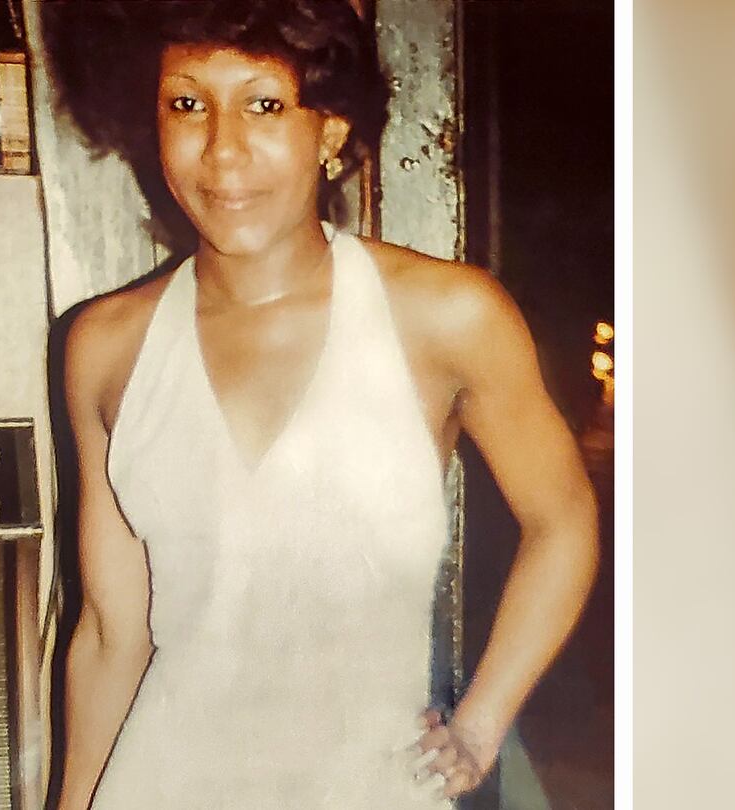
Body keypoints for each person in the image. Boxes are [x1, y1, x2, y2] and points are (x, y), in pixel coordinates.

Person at [57, 1, 598, 807]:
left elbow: (562, 520)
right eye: (187, 102)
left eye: (265, 104)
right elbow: (110, 633)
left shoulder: (448, 316)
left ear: (332, 130)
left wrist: (480, 727)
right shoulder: (103, 346)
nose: (223, 147)